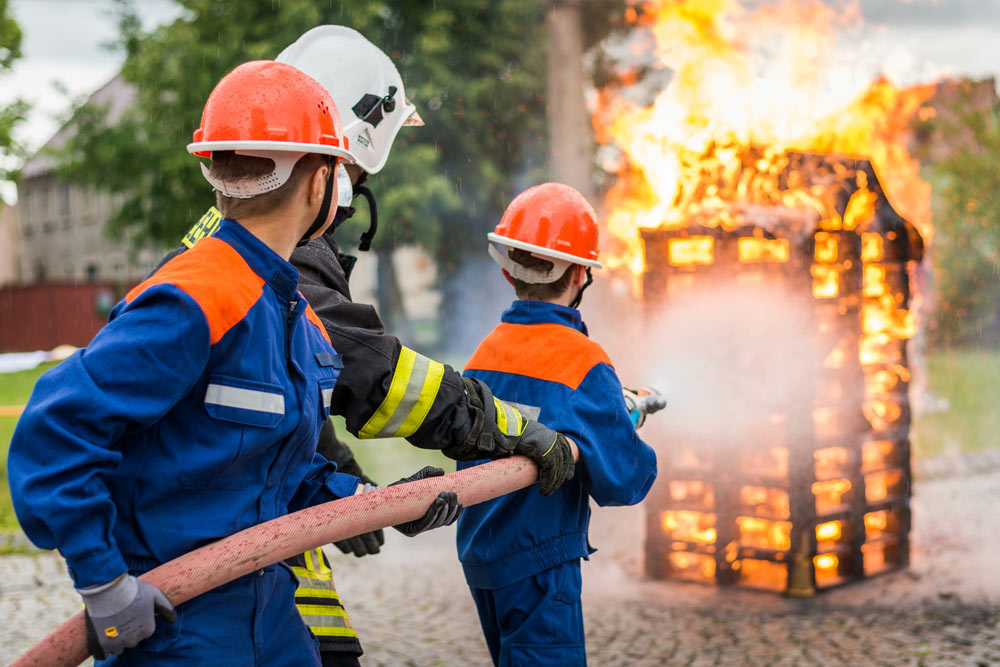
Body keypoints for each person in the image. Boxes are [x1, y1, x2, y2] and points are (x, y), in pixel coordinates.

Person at [7, 60, 459, 665]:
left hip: (270, 610)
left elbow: (278, 471)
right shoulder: (193, 299)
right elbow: (54, 433)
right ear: (318, 180)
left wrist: (378, 503)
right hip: (178, 627)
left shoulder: (294, 313)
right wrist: (104, 584)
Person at [153, 26, 578, 666]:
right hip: (221, 567)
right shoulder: (274, 256)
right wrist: (505, 427)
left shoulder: (226, 238)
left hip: (239, 539)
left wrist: (350, 495)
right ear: (336, 161)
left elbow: (272, 399)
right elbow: (376, 374)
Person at [456, 183, 660, 666]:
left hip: (483, 554)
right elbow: (625, 482)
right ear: (580, 273)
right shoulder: (585, 362)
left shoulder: (485, 353)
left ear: (509, 271)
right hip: (539, 558)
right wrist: (621, 427)